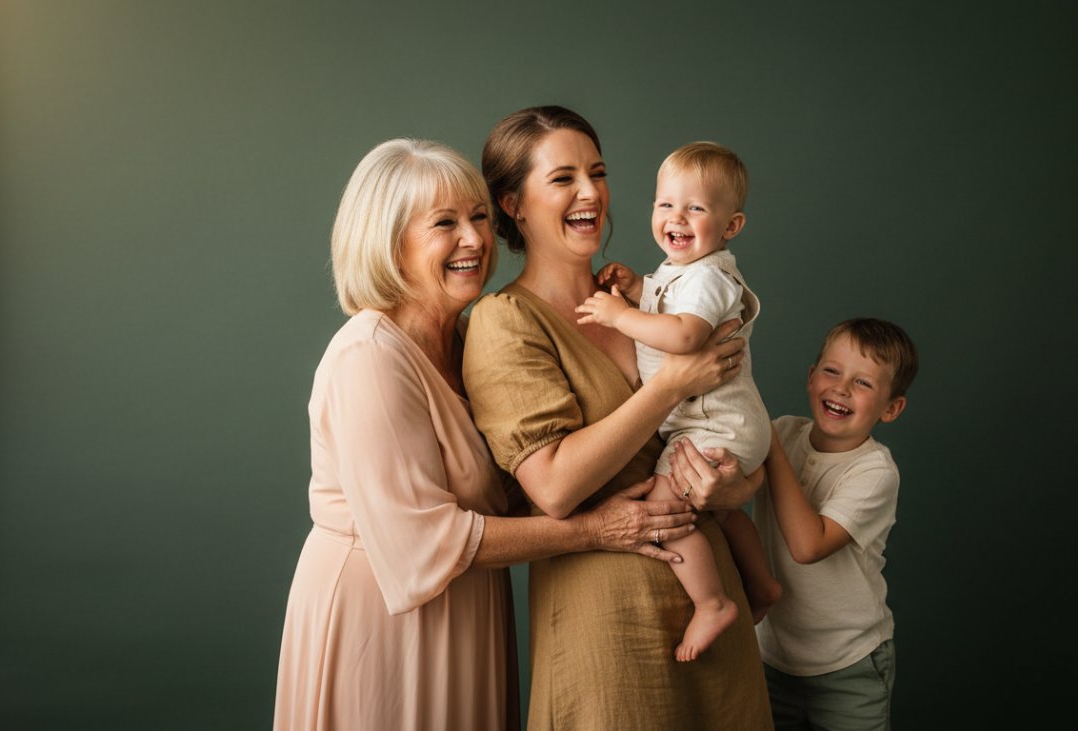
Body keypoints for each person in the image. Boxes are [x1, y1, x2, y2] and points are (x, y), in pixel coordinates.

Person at [272, 138, 701, 731]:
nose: (474, 239)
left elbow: (514, 481)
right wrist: (592, 529)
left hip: (468, 605)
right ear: (388, 239)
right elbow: (424, 540)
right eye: (444, 224)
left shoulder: (467, 338)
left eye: (477, 217)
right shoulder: (368, 355)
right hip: (384, 617)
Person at [464, 106, 773, 729]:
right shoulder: (506, 321)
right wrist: (670, 388)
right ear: (513, 203)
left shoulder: (662, 292)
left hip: (713, 605)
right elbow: (552, 487)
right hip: (607, 615)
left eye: (598, 172)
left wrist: (741, 486)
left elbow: (734, 416)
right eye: (562, 178)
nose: (590, 193)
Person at [575, 141, 782, 660]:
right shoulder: (684, 270)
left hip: (711, 423)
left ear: (730, 226)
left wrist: (620, 316)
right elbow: (672, 302)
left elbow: (687, 335)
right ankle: (764, 586)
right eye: (665, 205)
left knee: (665, 508)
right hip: (728, 421)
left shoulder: (711, 275)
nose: (677, 217)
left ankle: (712, 603)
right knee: (725, 512)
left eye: (696, 208)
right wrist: (639, 286)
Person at [754, 318, 918, 730]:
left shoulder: (875, 471)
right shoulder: (782, 432)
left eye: (863, 383)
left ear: (891, 408)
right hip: (771, 658)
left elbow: (808, 546)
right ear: (811, 378)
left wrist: (770, 449)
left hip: (848, 665)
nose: (841, 388)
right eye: (831, 371)